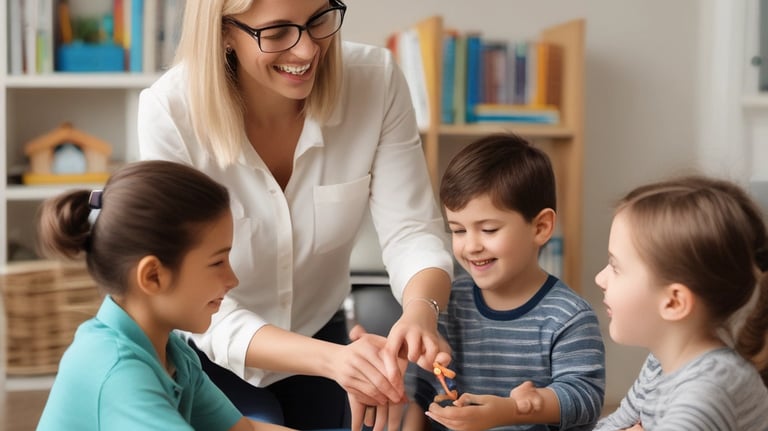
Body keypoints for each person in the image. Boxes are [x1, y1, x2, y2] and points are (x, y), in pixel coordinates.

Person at [136, 0, 454, 429]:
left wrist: (420, 311)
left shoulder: (376, 81)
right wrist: (337, 362)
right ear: (225, 32)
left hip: (321, 331)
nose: (306, 51)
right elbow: (189, 293)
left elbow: (412, 229)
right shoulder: (171, 113)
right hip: (207, 351)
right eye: (277, 31)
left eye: (318, 20)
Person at [35, 161, 297, 431]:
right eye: (217, 263)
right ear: (153, 276)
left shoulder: (173, 352)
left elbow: (244, 430)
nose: (233, 280)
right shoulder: (117, 370)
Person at [406, 134, 606, 431]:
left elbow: (584, 398)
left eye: (488, 229)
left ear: (540, 227)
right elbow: (419, 393)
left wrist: (515, 410)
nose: (471, 246)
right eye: (458, 231)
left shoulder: (569, 316)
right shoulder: (449, 303)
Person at [593, 175, 768, 430]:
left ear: (674, 302)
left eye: (615, 267)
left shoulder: (709, 390)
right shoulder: (660, 364)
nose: (600, 278)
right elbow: (611, 425)